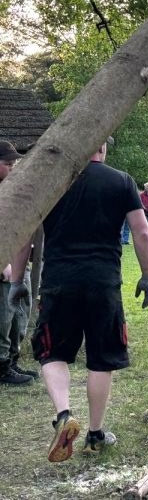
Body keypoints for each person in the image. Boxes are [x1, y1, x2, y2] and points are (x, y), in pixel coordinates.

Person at [9, 136, 148, 462]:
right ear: (103, 147)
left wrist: (17, 281)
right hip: (103, 283)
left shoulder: (52, 183)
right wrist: (147, 276)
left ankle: (64, 415)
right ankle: (94, 435)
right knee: (101, 358)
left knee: (52, 353)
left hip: (59, 281)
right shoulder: (122, 181)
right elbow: (142, 232)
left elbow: (26, 237)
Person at [0, 141, 36, 385]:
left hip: (20, 261)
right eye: (7, 163)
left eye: (15, 163)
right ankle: (2, 365)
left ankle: (13, 360)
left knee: (22, 311)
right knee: (4, 316)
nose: (13, 168)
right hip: (4, 265)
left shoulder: (14, 189)